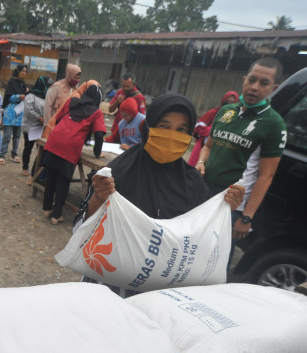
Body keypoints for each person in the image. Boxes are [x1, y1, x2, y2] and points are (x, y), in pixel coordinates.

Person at [75, 93, 245, 297]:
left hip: (163, 296)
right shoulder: (117, 174)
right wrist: (98, 199)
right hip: (110, 290)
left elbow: (204, 241)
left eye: (181, 130)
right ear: (148, 127)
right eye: (164, 126)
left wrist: (224, 209)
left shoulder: (194, 184)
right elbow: (80, 231)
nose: (172, 135)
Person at [195, 57, 286, 268]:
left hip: (231, 206)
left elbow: (266, 176)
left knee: (214, 265)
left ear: (274, 87)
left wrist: (246, 217)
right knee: (191, 251)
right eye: (252, 80)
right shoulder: (226, 112)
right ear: (244, 79)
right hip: (202, 195)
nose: (254, 87)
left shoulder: (274, 124)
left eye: (264, 83)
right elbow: (208, 146)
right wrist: (201, 162)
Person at [42, 83, 107, 224]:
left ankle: (47, 210)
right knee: (63, 181)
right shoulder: (96, 113)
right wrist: (97, 153)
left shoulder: (73, 102)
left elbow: (59, 118)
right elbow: (99, 134)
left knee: (51, 177)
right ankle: (56, 215)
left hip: (54, 140)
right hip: (69, 147)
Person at [187, 90, 238, 166]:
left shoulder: (236, 117)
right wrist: (211, 131)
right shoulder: (213, 112)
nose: (229, 104)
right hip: (203, 144)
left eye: (232, 102)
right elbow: (198, 126)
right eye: (227, 101)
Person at [22, 75, 54, 176]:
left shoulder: (48, 97)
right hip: (30, 127)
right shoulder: (30, 96)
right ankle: (25, 167)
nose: (48, 88)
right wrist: (39, 118)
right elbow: (28, 110)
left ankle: (35, 172)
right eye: (47, 86)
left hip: (42, 127)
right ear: (42, 85)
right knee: (28, 147)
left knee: (40, 150)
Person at [0, 64, 28, 164]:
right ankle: (2, 155)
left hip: (20, 114)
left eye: (25, 71)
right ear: (17, 71)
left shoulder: (23, 84)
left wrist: (26, 94)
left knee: (17, 136)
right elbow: (8, 97)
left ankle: (14, 154)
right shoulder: (11, 82)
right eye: (22, 71)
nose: (24, 73)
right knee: (7, 136)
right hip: (10, 112)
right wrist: (18, 96)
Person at [107, 73, 146, 140]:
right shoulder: (120, 92)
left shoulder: (139, 97)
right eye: (123, 86)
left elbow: (142, 118)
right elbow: (110, 110)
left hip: (130, 133)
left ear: (133, 85)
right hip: (116, 129)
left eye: (128, 86)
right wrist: (117, 101)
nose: (125, 88)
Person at [43, 64, 81, 130]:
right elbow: (48, 105)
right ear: (69, 75)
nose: (77, 80)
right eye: (75, 78)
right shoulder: (57, 87)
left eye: (79, 78)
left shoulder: (75, 90)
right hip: (54, 123)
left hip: (67, 125)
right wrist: (48, 124)